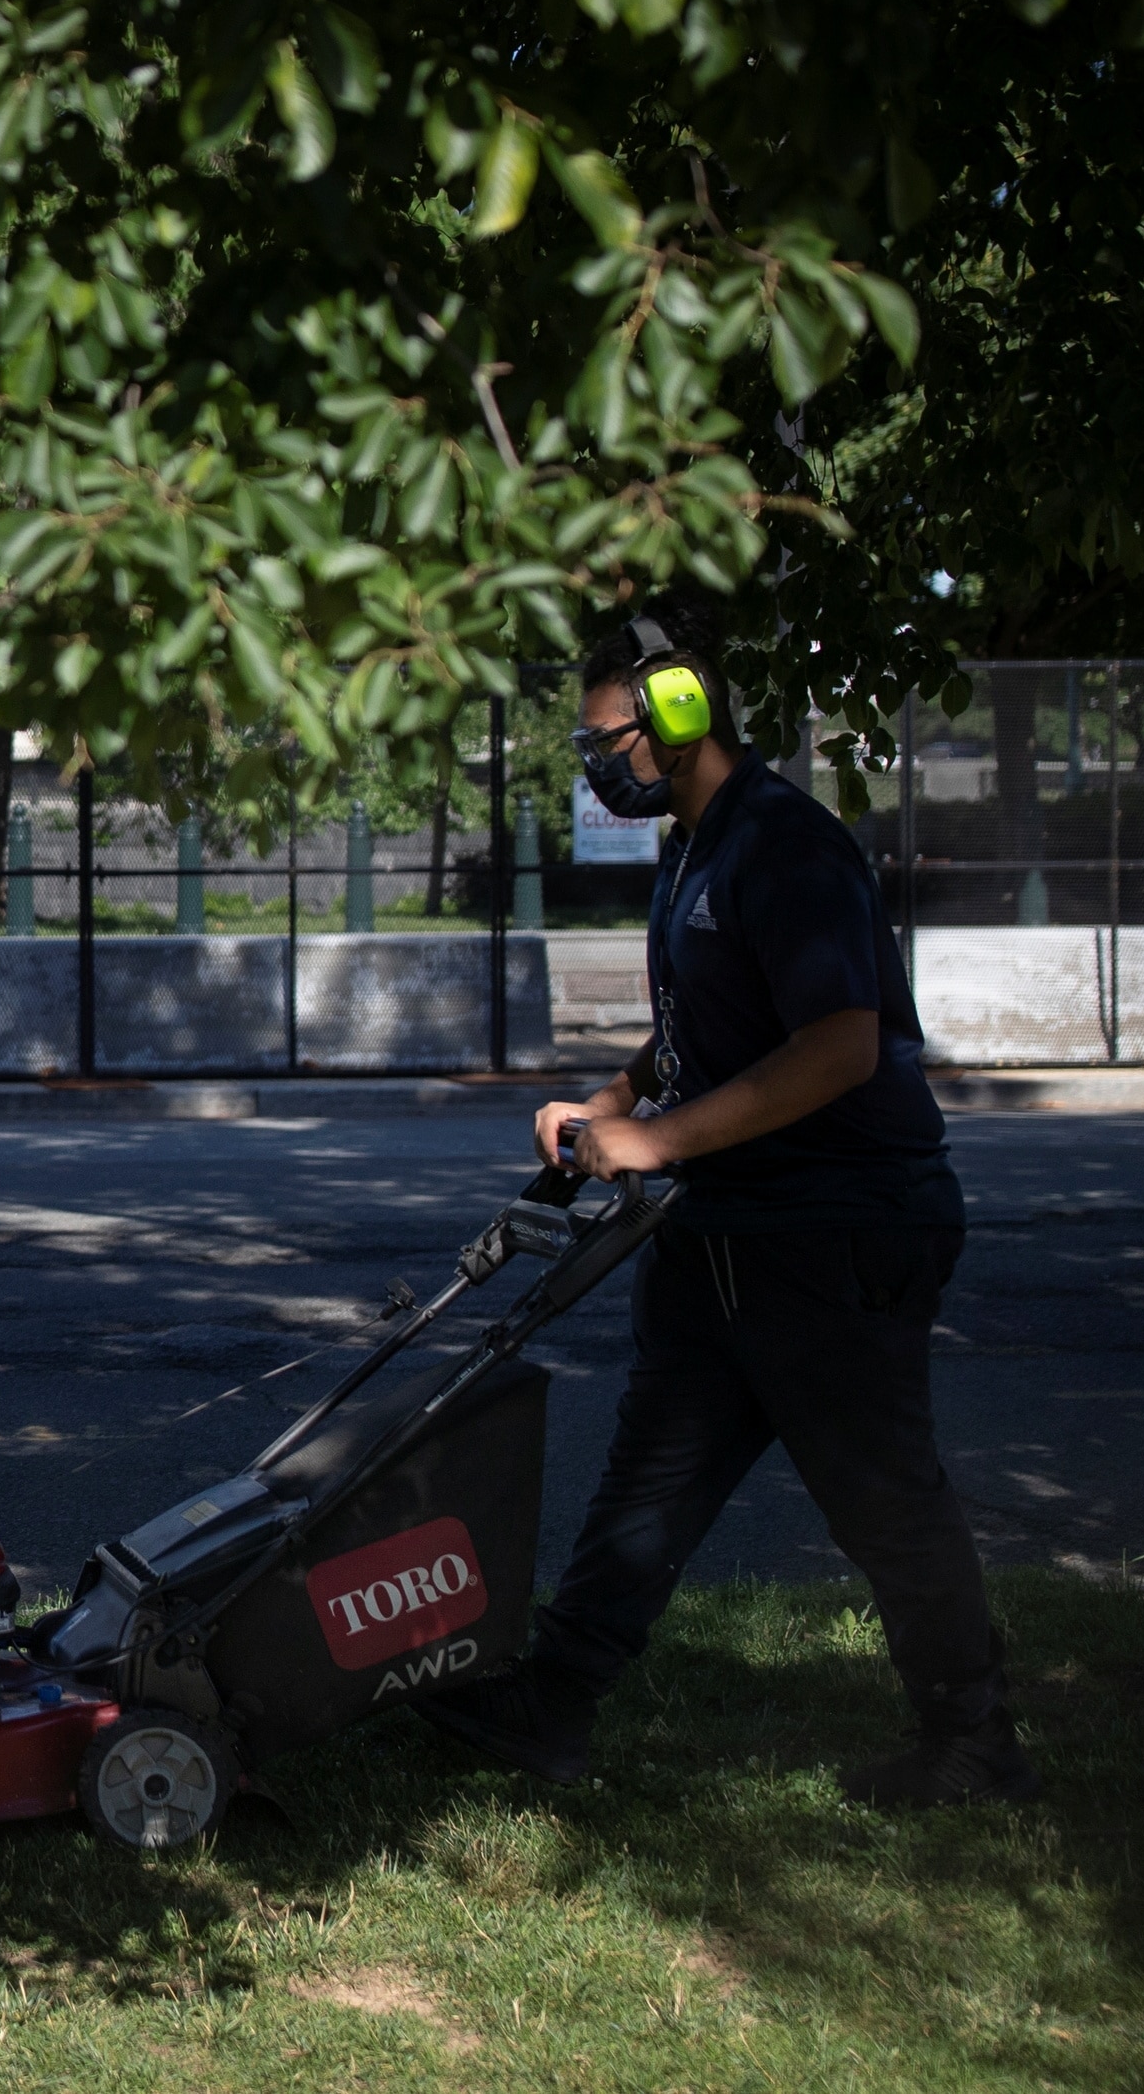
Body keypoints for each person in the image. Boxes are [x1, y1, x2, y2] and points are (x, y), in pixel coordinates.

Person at [425, 604, 1036, 1809]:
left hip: (835, 1231)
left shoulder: (785, 847)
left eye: (610, 740)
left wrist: (649, 1140)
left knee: (884, 1499)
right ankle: (554, 1703)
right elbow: (698, 1034)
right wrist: (601, 1105)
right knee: (650, 1475)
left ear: (680, 715)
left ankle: (974, 1742)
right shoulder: (695, 853)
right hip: (727, 1232)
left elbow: (836, 1048)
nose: (598, 764)